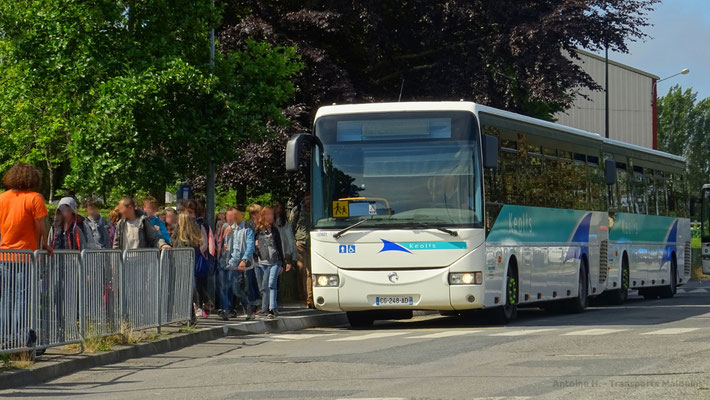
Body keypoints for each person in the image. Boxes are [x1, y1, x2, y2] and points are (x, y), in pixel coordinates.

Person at [0, 163, 51, 351]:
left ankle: (4, 337)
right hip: (25, 255)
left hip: (5, 254)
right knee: (22, 297)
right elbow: (41, 225)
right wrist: (45, 243)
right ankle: (19, 338)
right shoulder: (34, 198)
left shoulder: (2, 198)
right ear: (32, 179)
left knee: (6, 297)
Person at [255, 207, 291, 319]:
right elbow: (254, 246)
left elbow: (280, 246)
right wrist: (256, 247)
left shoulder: (275, 230)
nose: (271, 217)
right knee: (264, 286)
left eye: (272, 215)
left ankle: (272, 308)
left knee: (271, 284)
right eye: (268, 215)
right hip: (263, 261)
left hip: (275, 261)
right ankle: (264, 308)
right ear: (263, 216)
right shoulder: (258, 230)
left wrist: (285, 263)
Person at [219, 207, 255, 320]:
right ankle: (226, 310)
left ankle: (248, 307)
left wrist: (244, 260)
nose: (234, 217)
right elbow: (228, 246)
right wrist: (227, 236)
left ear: (242, 215)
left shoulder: (247, 229)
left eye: (236, 214)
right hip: (231, 262)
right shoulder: (231, 229)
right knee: (225, 286)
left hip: (241, 262)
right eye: (232, 215)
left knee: (236, 288)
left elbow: (250, 246)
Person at [171, 213, 209, 319]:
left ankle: (188, 313)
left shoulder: (180, 234)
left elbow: (173, 243)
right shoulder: (193, 233)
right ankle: (191, 312)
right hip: (190, 264)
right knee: (190, 288)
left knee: (184, 288)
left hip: (182, 264)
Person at [182, 199, 213, 316]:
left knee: (197, 283)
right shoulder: (181, 225)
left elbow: (204, 241)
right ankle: (195, 306)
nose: (189, 215)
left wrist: (199, 251)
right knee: (190, 283)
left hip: (197, 257)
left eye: (191, 212)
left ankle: (201, 304)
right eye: (187, 211)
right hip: (185, 259)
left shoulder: (199, 225)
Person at [290, 194, 313, 307]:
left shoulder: (316, 209)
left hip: (313, 243)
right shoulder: (297, 210)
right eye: (307, 198)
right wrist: (293, 242)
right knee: (301, 270)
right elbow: (291, 226)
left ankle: (309, 299)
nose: (309, 201)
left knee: (309, 272)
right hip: (300, 242)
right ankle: (303, 296)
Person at [245, 203, 263, 313]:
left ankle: (260, 304)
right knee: (251, 281)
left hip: (261, 255)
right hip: (252, 255)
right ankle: (253, 304)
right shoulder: (248, 224)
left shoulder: (263, 224)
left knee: (260, 282)